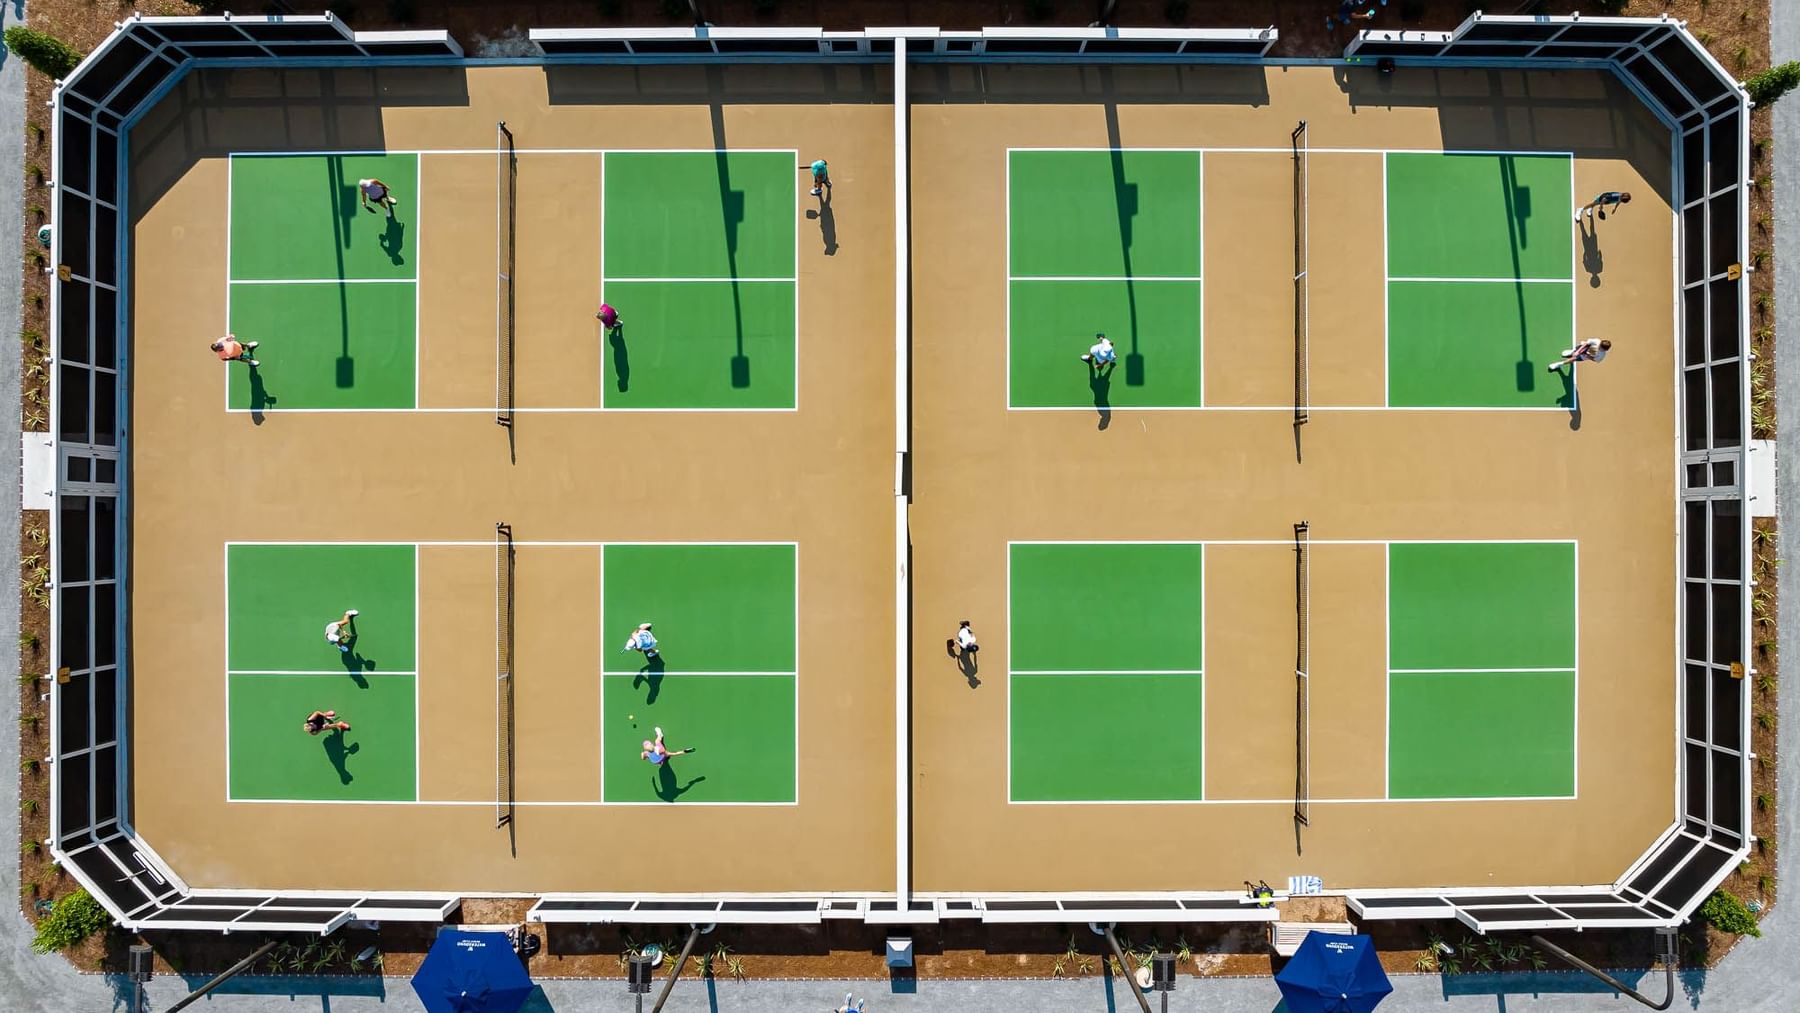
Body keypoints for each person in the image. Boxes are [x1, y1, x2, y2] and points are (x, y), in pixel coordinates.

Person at [1547, 337, 1612, 373]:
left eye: (1601, 348)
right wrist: (1578, 351)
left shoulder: (1602, 355)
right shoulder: (1597, 341)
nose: (1599, 347)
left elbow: (1595, 360)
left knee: (1573, 359)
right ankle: (1572, 351)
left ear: (1605, 350)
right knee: (1575, 352)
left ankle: (1559, 364)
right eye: (1599, 346)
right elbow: (1586, 343)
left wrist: (1589, 356)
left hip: (1585, 356)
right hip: (1584, 347)